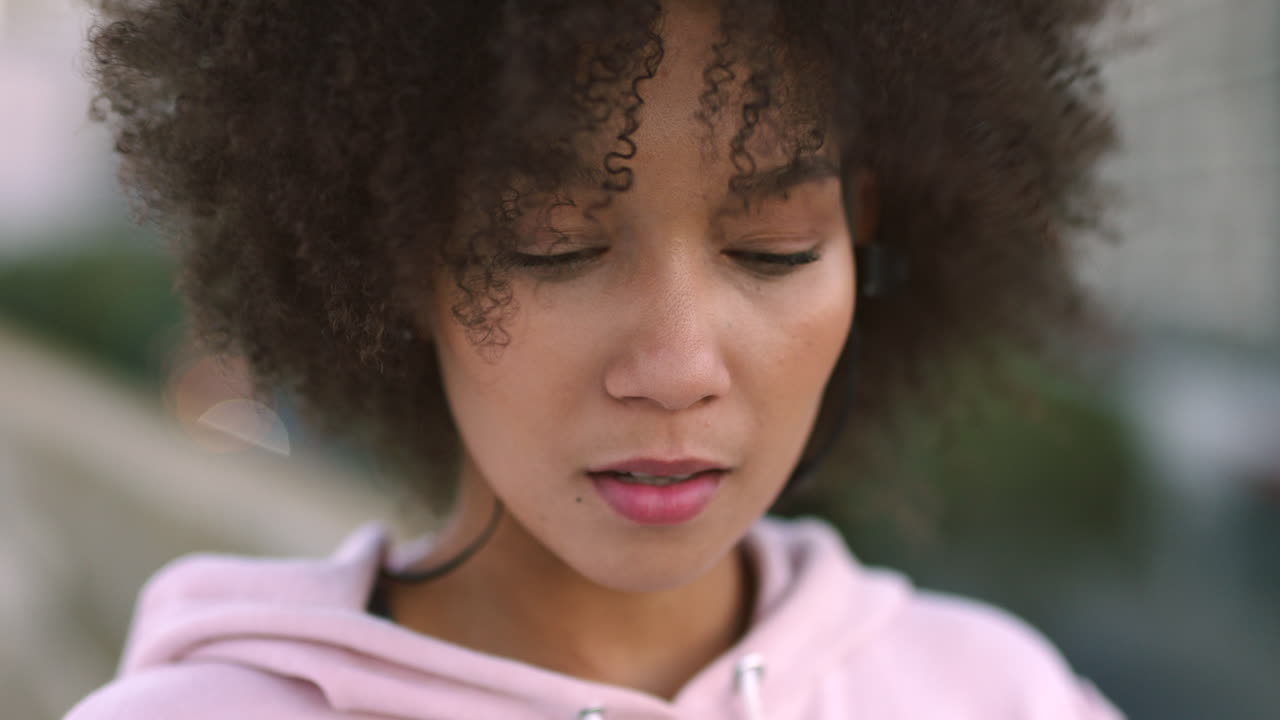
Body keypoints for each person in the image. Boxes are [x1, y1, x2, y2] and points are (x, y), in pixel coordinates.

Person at [67, 0, 1128, 717]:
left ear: (861, 233)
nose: (677, 367)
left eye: (774, 249)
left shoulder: (997, 695)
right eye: (554, 246)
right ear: (399, 259)